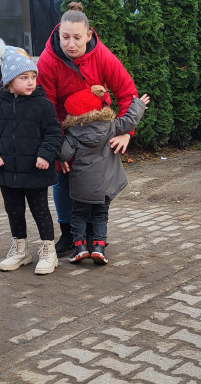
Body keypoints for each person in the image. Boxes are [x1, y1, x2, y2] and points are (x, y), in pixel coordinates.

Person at [36, 1, 139, 256]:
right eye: (65, 37)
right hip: (64, 127)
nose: (70, 44)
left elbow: (127, 93)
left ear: (89, 35)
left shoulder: (102, 55)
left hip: (98, 130)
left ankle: (93, 233)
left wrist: (125, 133)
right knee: (62, 178)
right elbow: (46, 108)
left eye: (77, 38)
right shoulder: (48, 60)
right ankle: (68, 233)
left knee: (98, 180)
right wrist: (58, 149)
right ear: (58, 33)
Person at [0, 38, 63, 275]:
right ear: (9, 80)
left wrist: (46, 155)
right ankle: (20, 249)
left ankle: (48, 251)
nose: (30, 82)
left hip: (36, 170)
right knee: (13, 211)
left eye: (33, 77)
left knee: (40, 210)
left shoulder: (43, 106)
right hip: (7, 171)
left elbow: (53, 133)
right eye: (23, 77)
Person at [57, 85, 149, 265]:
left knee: (78, 215)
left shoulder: (72, 132)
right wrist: (138, 104)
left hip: (82, 186)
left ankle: (80, 248)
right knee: (100, 215)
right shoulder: (110, 126)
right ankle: (99, 248)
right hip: (105, 185)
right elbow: (129, 121)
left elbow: (64, 154)